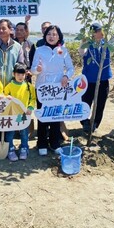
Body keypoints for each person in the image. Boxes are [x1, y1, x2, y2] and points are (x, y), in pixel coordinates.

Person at [0, 18, 25, 161]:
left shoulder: (17, 47)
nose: (1, 31)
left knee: (9, 121)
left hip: (10, 91)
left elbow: (21, 66)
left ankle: (10, 148)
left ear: (10, 30)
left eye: (4, 28)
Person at [32, 25, 74, 155]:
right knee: (43, 116)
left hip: (58, 89)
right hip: (43, 88)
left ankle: (55, 143)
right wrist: (37, 70)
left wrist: (66, 76)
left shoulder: (63, 50)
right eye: (49, 34)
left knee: (56, 116)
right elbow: (33, 69)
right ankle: (42, 143)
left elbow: (71, 68)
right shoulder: (39, 50)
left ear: (59, 36)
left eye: (54, 34)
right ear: (45, 36)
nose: (52, 37)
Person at [79, 22, 112, 133]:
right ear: (93, 33)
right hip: (89, 79)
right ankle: (85, 122)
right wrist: (83, 41)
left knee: (100, 103)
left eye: (102, 30)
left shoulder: (107, 43)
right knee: (85, 102)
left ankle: (96, 124)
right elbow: (81, 53)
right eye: (98, 31)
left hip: (103, 79)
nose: (101, 33)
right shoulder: (87, 44)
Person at [4, 63, 36, 160]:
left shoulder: (28, 86)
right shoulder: (9, 86)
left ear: (25, 74)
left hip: (23, 114)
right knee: (10, 132)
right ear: (14, 74)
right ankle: (10, 149)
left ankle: (24, 148)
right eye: (18, 74)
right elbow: (3, 96)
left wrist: (30, 108)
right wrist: (6, 97)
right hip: (12, 114)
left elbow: (32, 98)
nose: (20, 77)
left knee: (24, 132)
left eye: (23, 75)